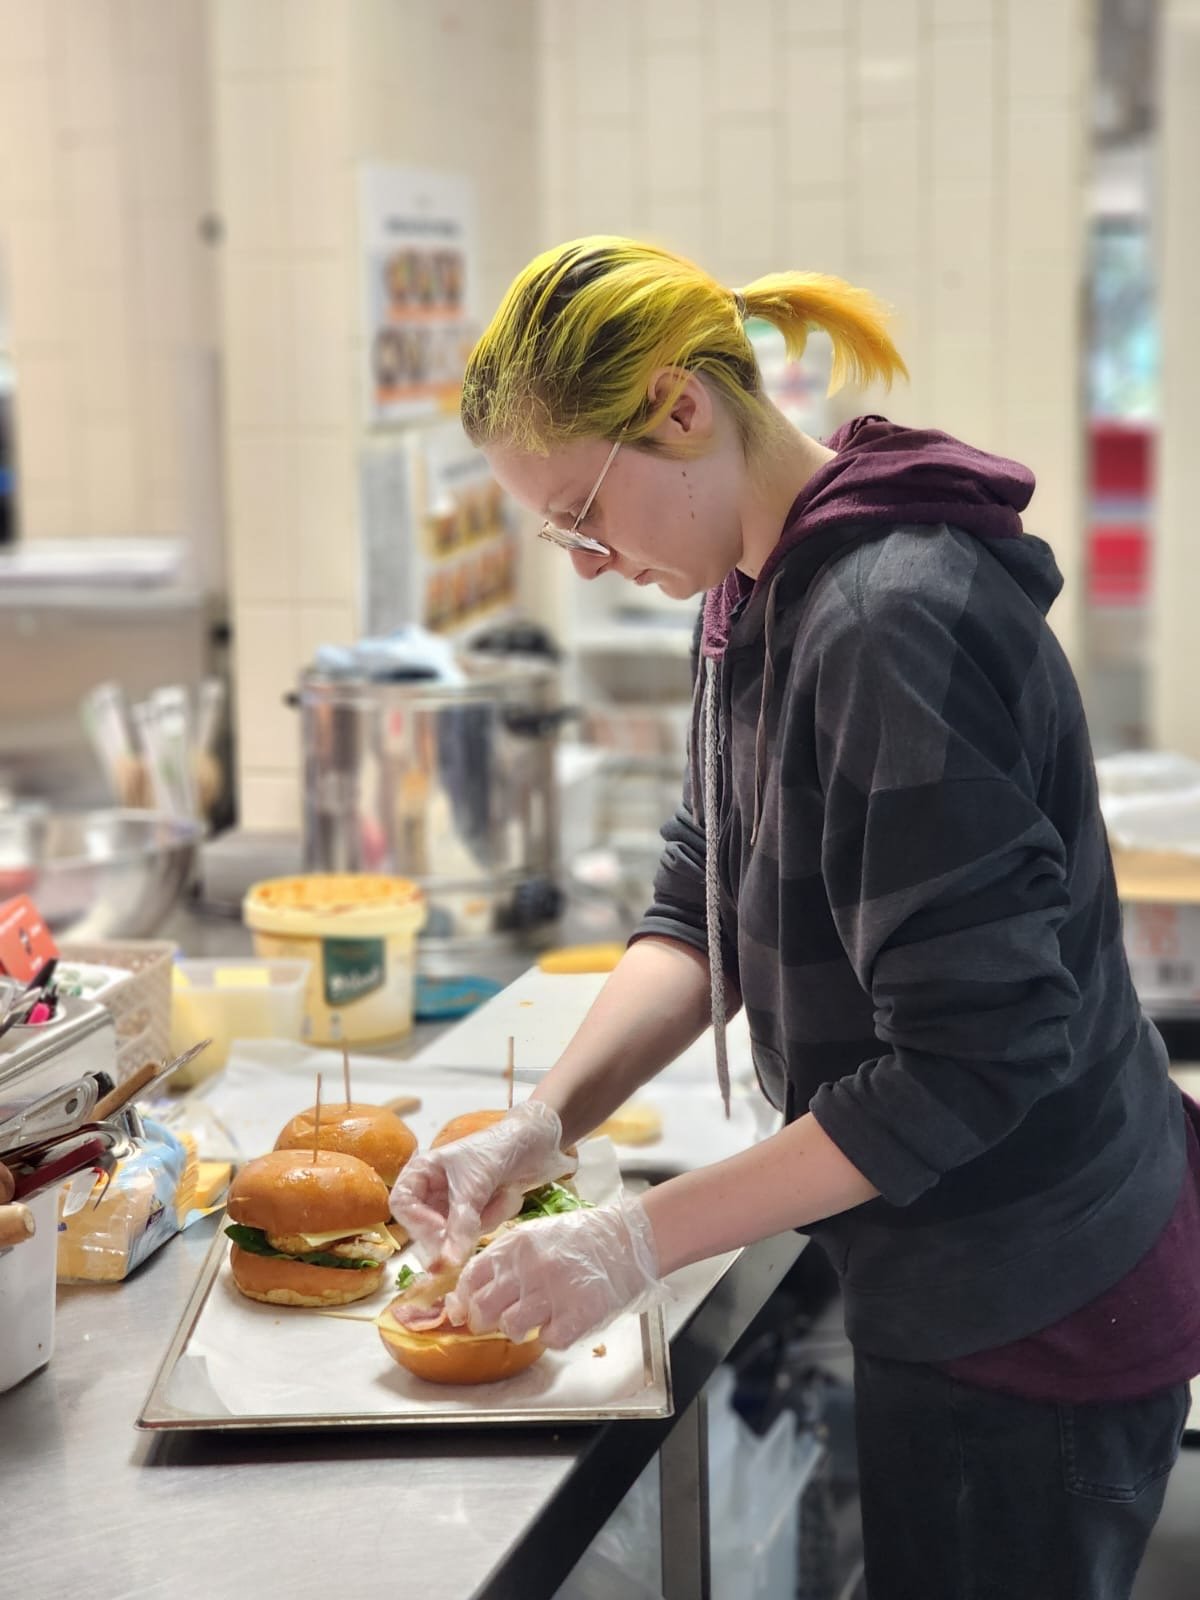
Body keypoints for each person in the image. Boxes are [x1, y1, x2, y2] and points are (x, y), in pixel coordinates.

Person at [390, 236, 1200, 1599]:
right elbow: (707, 885)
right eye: (558, 535)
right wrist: (546, 1125)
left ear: (683, 408)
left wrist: (633, 1240)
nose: (586, 565)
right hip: (952, 1267)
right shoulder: (756, 587)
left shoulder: (890, 619)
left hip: (1036, 1299)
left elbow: (970, 1063)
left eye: (586, 513)